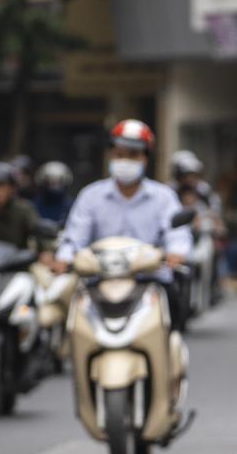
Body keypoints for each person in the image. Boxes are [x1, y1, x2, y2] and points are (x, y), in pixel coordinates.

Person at [57, 120, 192, 321]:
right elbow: (74, 237)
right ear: (110, 155)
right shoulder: (91, 196)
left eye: (133, 155)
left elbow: (177, 234)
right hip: (98, 283)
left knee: (174, 319)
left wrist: (177, 253)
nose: (125, 161)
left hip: (151, 283)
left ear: (146, 158)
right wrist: (65, 258)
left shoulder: (164, 197)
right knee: (67, 320)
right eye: (119, 154)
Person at [33, 161, 74, 225]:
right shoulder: (35, 205)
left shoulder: (71, 206)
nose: (54, 187)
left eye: (58, 182)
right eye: (50, 182)